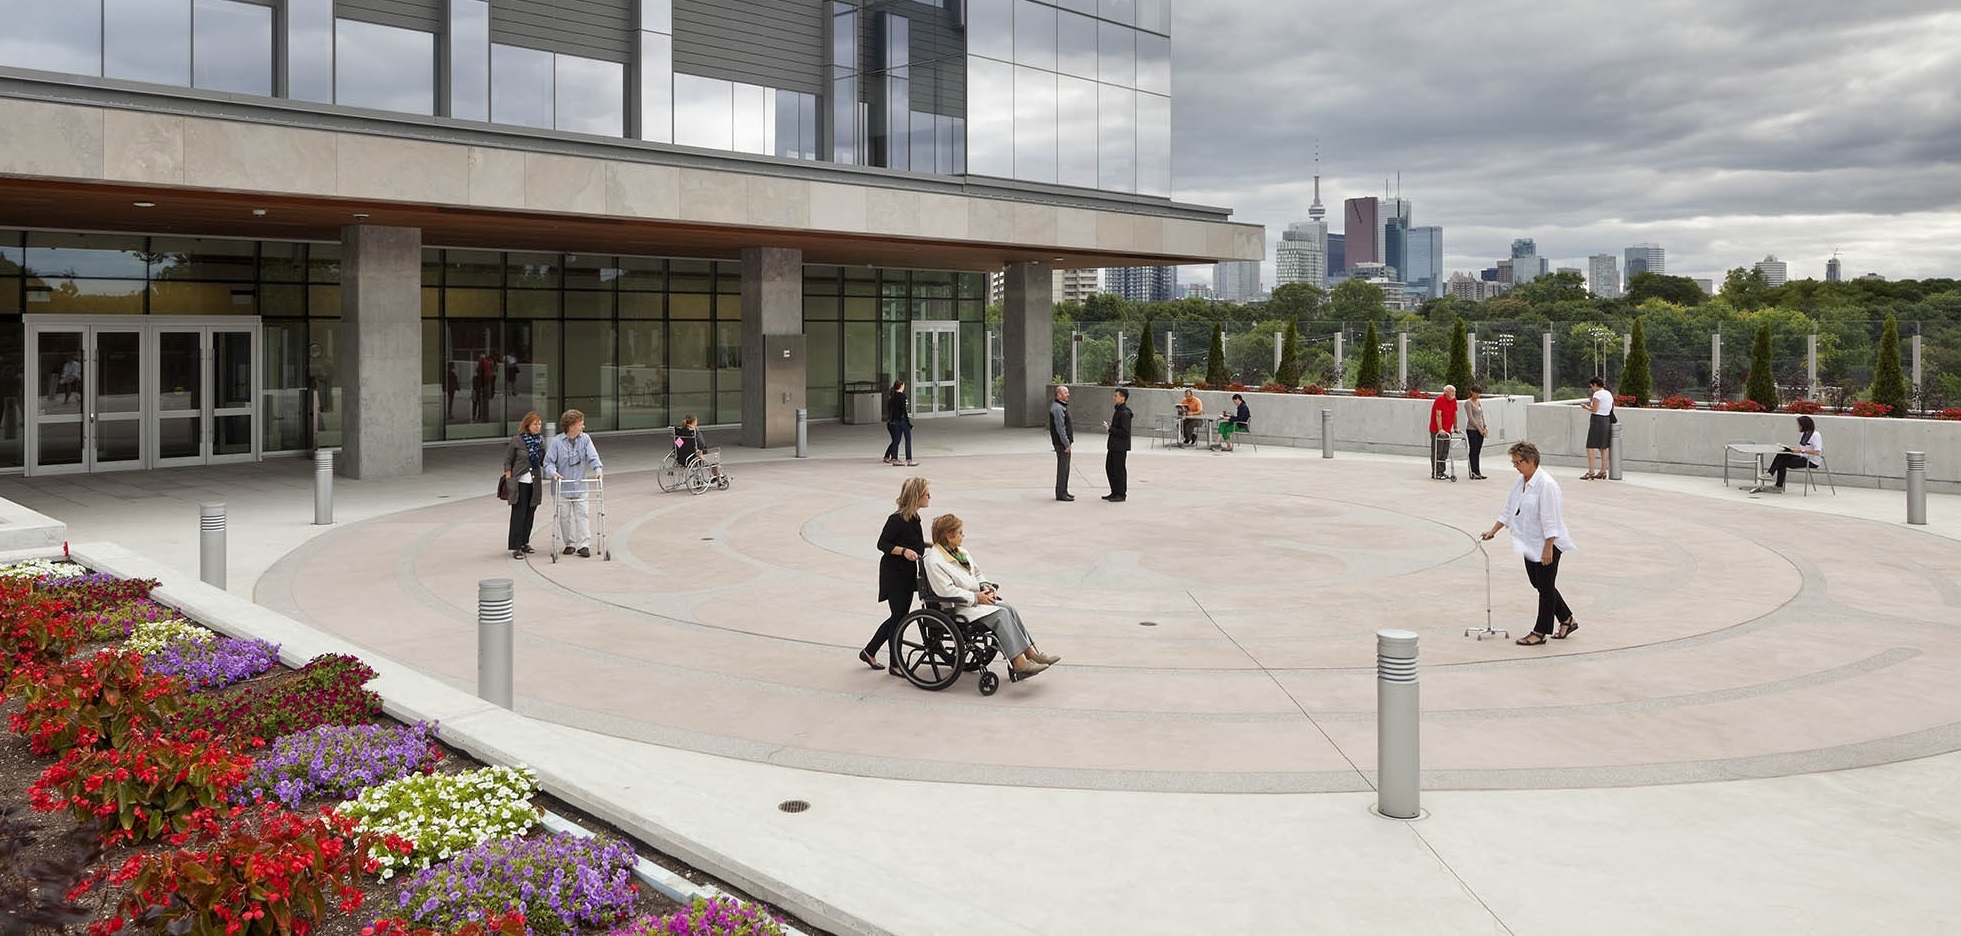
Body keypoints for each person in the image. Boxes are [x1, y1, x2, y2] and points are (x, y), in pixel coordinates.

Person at [923, 514, 1060, 677]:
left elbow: (977, 573)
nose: (963, 536)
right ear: (948, 535)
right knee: (1001, 614)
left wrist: (985, 586)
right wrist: (976, 597)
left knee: (1009, 608)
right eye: (960, 533)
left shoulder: (960, 552)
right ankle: (1019, 663)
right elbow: (947, 591)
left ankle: (1031, 654)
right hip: (956, 607)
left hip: (975, 601)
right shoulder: (934, 560)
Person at [1481, 442, 1580, 647]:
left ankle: (1540, 631)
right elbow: (1509, 509)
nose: (1516, 466)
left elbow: (1550, 518)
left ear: (1531, 461)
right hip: (1529, 541)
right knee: (1540, 583)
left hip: (1548, 543)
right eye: (1514, 463)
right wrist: (1494, 530)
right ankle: (1567, 619)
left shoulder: (1546, 484)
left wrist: (1548, 548)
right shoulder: (1520, 482)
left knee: (1544, 587)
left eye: (1518, 462)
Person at [863, 477, 930, 674]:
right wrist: (902, 551)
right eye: (926, 494)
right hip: (895, 575)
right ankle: (895, 664)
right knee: (899, 619)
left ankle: (869, 651)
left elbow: (911, 540)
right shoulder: (896, 519)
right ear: (916, 496)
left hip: (908, 575)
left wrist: (926, 544)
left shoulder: (915, 517)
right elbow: (882, 544)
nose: (929, 497)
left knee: (898, 617)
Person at [543, 409, 604, 557]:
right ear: (571, 426)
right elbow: (548, 462)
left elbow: (593, 457)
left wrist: (598, 469)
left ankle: (583, 545)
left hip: (580, 484)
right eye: (580, 423)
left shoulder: (585, 439)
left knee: (582, 514)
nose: (583, 426)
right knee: (564, 517)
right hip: (562, 485)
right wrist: (554, 473)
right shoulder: (557, 442)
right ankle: (569, 544)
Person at [501, 411, 547, 559]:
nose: (538, 427)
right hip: (520, 482)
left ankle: (525, 542)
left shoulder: (540, 441)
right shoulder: (517, 440)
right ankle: (516, 546)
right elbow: (508, 460)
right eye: (535, 424)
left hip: (534, 482)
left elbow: (544, 460)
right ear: (527, 425)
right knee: (518, 514)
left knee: (530, 513)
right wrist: (509, 479)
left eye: (539, 424)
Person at [1753, 414, 1824, 494]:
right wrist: (1791, 448)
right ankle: (1770, 473)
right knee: (1782, 453)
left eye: (1799, 425)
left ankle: (1778, 486)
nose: (1798, 426)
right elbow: (1803, 448)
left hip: (1811, 461)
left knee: (1782, 463)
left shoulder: (1816, 435)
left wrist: (1801, 451)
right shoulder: (1804, 434)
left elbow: (1817, 452)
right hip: (1803, 456)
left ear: (1804, 425)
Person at [673, 414, 725, 482]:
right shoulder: (694, 432)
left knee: (709, 457)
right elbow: (701, 443)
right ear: (694, 421)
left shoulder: (682, 431)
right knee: (713, 459)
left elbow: (677, 444)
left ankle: (716, 475)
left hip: (682, 458)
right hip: (695, 456)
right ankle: (718, 475)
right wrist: (700, 454)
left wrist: (678, 452)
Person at [1102, 388, 1132, 502]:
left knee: (1119, 470)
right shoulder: (1118, 410)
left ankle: (1121, 494)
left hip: (1120, 446)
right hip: (1114, 445)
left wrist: (1110, 429)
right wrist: (1111, 428)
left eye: (1116, 396)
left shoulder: (1125, 413)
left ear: (1123, 398)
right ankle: (1114, 492)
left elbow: (1124, 432)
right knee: (1110, 468)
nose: (1114, 398)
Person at [1582, 376, 1614, 480]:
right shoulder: (1608, 393)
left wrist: (1586, 407)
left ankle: (1591, 471)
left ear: (1595, 385)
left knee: (1590, 446)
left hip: (1597, 420)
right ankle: (1603, 471)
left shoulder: (1597, 394)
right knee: (1603, 447)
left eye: (1592, 386)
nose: (1592, 388)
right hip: (1606, 420)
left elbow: (1594, 409)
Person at [1049, 386, 1074, 501]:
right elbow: (1060, 428)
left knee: (1065, 468)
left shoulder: (1061, 406)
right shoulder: (1058, 408)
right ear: (1059, 395)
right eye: (1065, 393)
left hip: (1063, 443)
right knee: (1063, 469)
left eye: (1068, 392)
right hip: (1061, 444)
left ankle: (1064, 491)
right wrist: (1066, 444)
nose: (1068, 395)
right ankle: (1061, 493)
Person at [883, 379, 915, 466]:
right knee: (907, 439)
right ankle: (909, 459)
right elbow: (904, 411)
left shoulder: (892, 397)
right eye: (903, 385)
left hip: (893, 421)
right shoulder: (902, 396)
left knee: (896, 440)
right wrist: (909, 423)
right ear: (901, 386)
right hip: (902, 420)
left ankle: (893, 458)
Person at [1429, 384, 1458, 479]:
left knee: (1445, 451)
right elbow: (1438, 415)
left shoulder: (1453, 400)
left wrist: (1455, 427)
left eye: (1454, 391)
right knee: (1438, 451)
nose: (1453, 393)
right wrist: (1440, 428)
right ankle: (1436, 471)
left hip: (1448, 429)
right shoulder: (1440, 399)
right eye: (1451, 391)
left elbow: (1454, 413)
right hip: (1437, 430)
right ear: (1446, 392)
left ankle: (1442, 471)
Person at [1464, 386, 1490, 480]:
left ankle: (1478, 471)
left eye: (1479, 393)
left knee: (1478, 451)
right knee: (1473, 450)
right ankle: (1473, 471)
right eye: (1476, 393)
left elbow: (1481, 416)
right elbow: (1470, 418)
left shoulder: (1479, 402)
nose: (1478, 395)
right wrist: (1478, 428)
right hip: (1472, 430)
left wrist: (1485, 426)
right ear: (1472, 392)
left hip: (1481, 429)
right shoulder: (1468, 403)